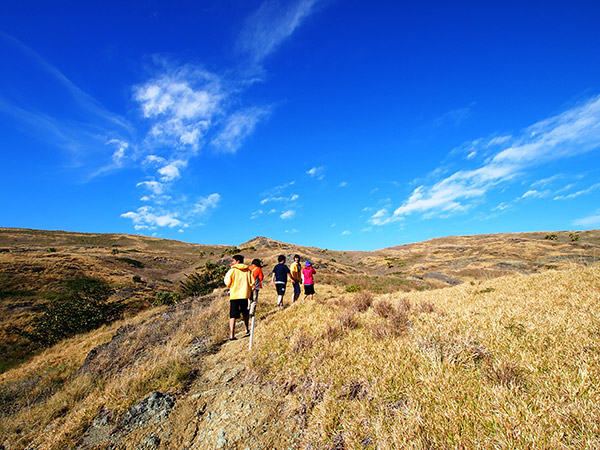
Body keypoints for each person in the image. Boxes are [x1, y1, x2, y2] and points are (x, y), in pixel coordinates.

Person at [224, 254, 254, 340]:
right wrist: (251, 293)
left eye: (233, 261)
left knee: (233, 315)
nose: (232, 263)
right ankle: (246, 328)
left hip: (234, 295)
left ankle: (231, 334)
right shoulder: (248, 271)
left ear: (237, 261)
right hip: (244, 294)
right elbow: (252, 283)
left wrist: (230, 286)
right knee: (245, 312)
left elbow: (227, 281)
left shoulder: (232, 270)